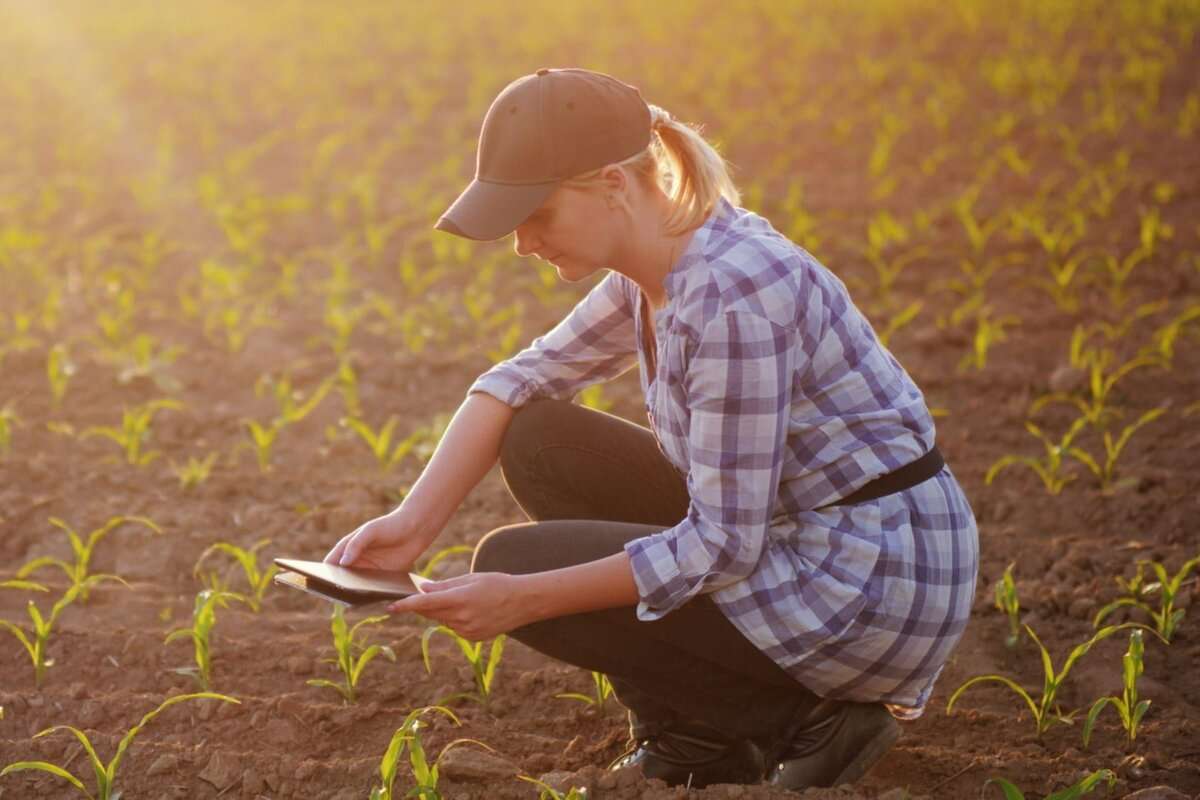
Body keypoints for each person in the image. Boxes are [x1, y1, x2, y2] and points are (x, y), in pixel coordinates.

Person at [323, 67, 979, 791]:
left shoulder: (733, 299)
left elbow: (723, 544)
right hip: (800, 534)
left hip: (868, 579)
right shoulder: (657, 262)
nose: (522, 245)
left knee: (524, 565)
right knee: (543, 442)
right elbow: (519, 380)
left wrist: (520, 600)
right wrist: (413, 524)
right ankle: (700, 739)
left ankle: (803, 718)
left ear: (612, 184)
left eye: (536, 215)